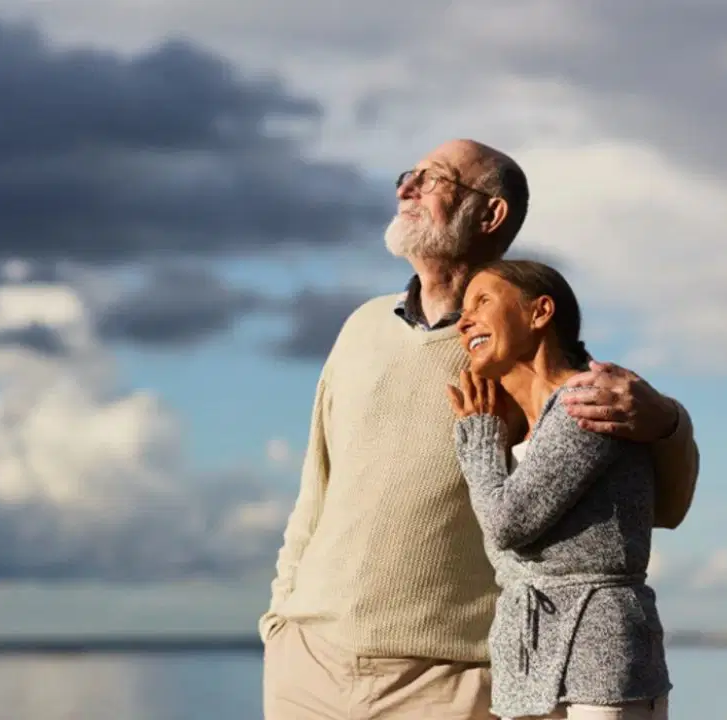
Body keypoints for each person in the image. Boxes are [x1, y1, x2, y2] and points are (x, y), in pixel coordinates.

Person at [260, 139, 698, 719]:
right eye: (408, 175)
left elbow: (662, 505)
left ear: (491, 214)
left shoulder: (518, 354)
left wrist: (668, 421)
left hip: (450, 682)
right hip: (308, 667)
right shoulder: (361, 327)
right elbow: (316, 485)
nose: (406, 188)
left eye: (433, 179)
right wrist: (281, 620)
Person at [448, 260, 670, 720]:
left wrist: (479, 437)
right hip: (526, 665)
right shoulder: (526, 425)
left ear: (540, 311)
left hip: (599, 656)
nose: (464, 321)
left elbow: (507, 524)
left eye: (482, 302)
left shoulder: (587, 401)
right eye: (462, 311)